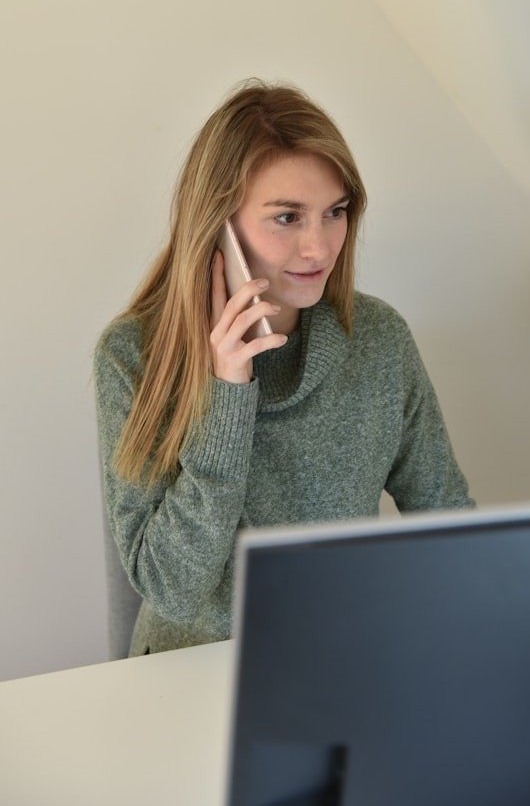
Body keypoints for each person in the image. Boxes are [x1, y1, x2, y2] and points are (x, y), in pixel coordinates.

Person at [94, 79, 473, 656]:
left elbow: (447, 522)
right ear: (219, 224)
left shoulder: (378, 339)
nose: (319, 248)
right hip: (187, 673)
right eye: (288, 217)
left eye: (335, 213)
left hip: (340, 659)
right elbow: (171, 587)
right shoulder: (132, 356)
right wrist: (227, 395)